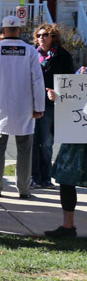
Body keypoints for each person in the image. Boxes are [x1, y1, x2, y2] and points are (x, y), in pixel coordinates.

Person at [0, 15, 45, 199]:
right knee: (25, 149)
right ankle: (24, 189)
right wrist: (39, 106)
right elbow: (38, 81)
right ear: (20, 31)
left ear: (2, 31)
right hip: (24, 107)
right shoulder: (30, 51)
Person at [44, 66, 87, 238]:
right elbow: (71, 99)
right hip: (76, 135)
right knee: (65, 179)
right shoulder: (81, 73)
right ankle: (68, 226)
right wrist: (56, 97)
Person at [31, 24, 73, 189]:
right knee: (33, 142)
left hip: (50, 104)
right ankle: (33, 177)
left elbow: (69, 81)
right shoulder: (31, 54)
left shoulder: (63, 56)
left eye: (46, 34)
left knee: (47, 143)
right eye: (39, 35)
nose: (42, 37)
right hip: (32, 103)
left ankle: (46, 177)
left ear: (53, 37)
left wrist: (58, 93)